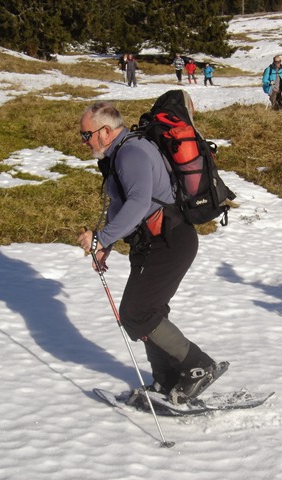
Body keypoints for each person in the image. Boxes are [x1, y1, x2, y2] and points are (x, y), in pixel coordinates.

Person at [77, 97, 223, 405]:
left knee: (137, 312)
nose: (84, 141)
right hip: (154, 243)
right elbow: (120, 205)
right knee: (148, 312)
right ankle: (166, 379)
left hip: (169, 242)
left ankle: (199, 366)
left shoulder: (131, 152)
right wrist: (108, 244)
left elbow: (139, 203)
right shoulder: (120, 154)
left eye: (86, 135)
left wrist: (101, 239)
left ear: (105, 131)